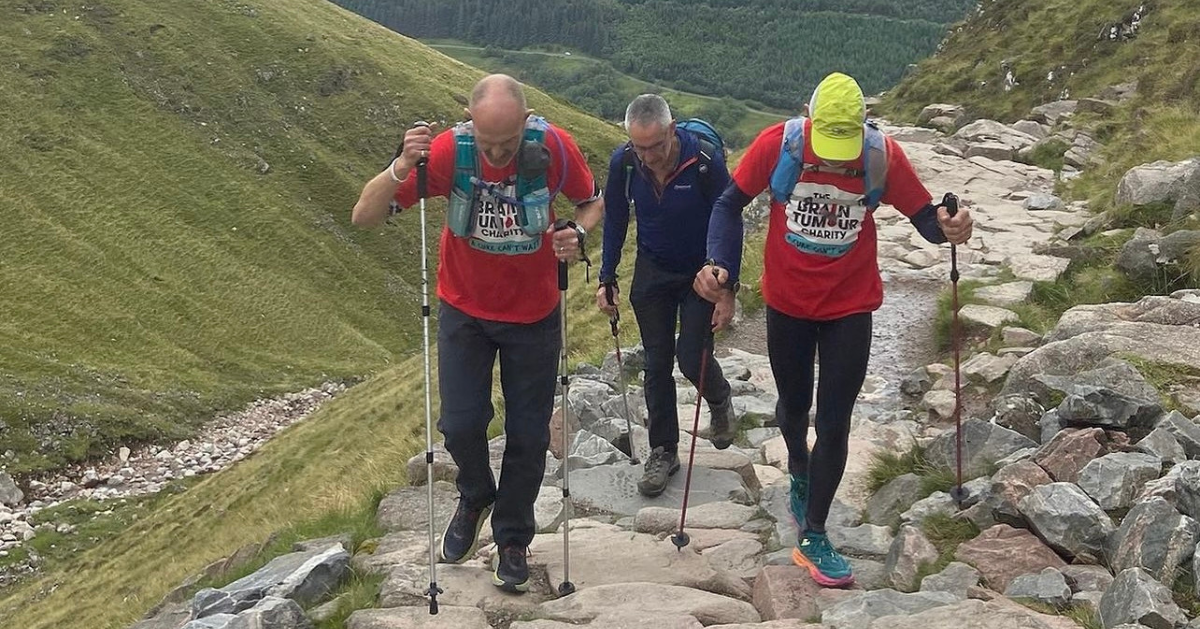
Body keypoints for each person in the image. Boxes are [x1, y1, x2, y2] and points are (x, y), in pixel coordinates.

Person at [694, 72, 974, 587]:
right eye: (829, 146)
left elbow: (927, 220)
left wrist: (952, 224)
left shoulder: (880, 155)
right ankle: (800, 475)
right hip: (787, 305)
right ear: (811, 121)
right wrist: (721, 268)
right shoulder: (780, 144)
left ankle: (815, 533)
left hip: (850, 306)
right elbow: (728, 204)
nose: (836, 157)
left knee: (836, 419)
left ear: (862, 128)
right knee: (794, 406)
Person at [352, 74, 603, 594]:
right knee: (461, 423)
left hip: (533, 314)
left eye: (507, 144)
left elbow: (592, 201)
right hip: (464, 309)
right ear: (469, 124)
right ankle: (474, 494)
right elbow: (365, 215)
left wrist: (577, 234)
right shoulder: (448, 152)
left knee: (530, 435)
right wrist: (400, 165)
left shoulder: (554, 146)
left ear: (525, 125)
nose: (496, 154)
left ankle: (512, 539)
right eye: (487, 143)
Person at [597, 95, 737, 498]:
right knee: (656, 362)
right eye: (639, 147)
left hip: (701, 270)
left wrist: (726, 288)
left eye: (656, 146)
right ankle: (663, 451)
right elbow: (616, 218)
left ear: (672, 129)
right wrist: (607, 276)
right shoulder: (624, 163)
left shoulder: (706, 161)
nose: (648, 157)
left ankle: (719, 397)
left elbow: (728, 219)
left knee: (692, 356)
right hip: (653, 266)